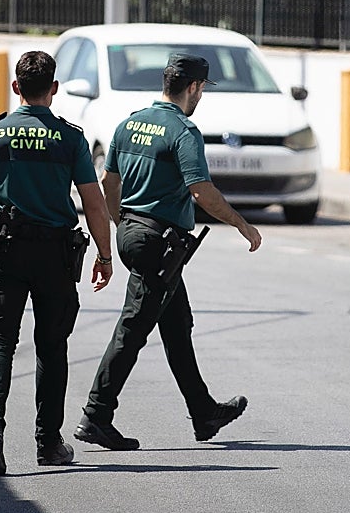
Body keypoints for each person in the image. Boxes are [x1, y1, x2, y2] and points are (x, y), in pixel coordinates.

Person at [74, 52, 262, 451]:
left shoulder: (129, 122)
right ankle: (95, 415)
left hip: (134, 233)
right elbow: (201, 191)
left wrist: (121, 224)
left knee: (177, 327)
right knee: (132, 330)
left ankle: (203, 412)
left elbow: (109, 181)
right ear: (193, 87)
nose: (201, 96)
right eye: (202, 89)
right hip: (158, 243)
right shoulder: (183, 130)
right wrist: (242, 224)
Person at [0, 50, 115, 476]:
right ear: (55, 89)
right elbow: (94, 204)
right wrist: (104, 254)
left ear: (16, 88)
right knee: (51, 346)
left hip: (4, 251)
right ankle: (48, 442)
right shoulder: (70, 138)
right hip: (54, 256)